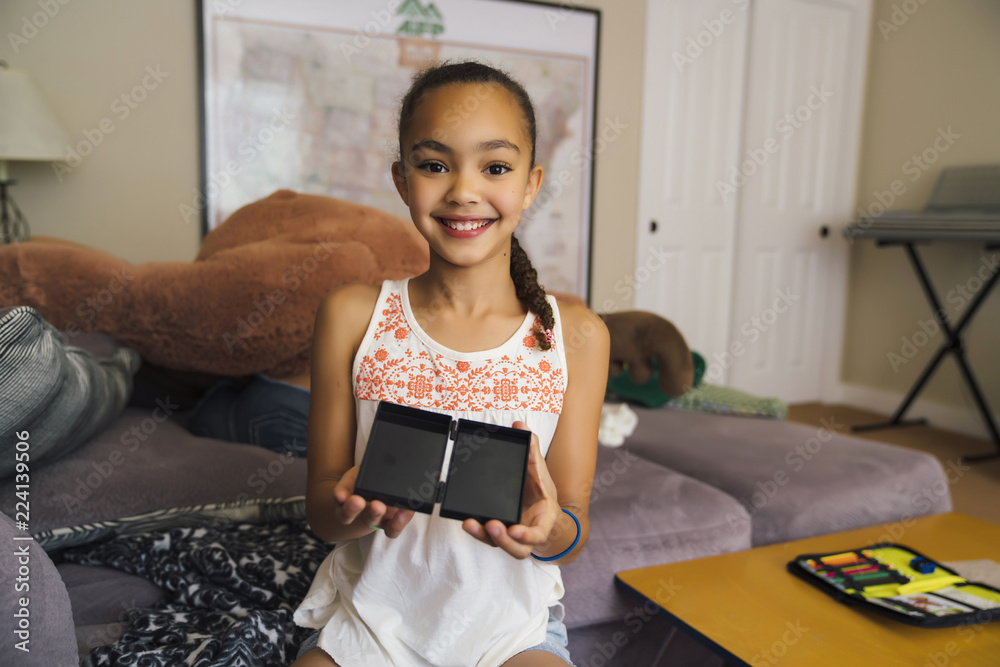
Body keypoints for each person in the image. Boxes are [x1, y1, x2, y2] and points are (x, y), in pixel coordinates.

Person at [291, 61, 609, 667]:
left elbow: (572, 529)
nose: (463, 190)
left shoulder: (578, 336)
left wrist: (548, 529)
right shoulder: (352, 315)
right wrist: (356, 511)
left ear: (531, 184)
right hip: (368, 623)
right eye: (435, 165)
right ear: (402, 180)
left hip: (510, 634)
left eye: (495, 167)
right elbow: (322, 517)